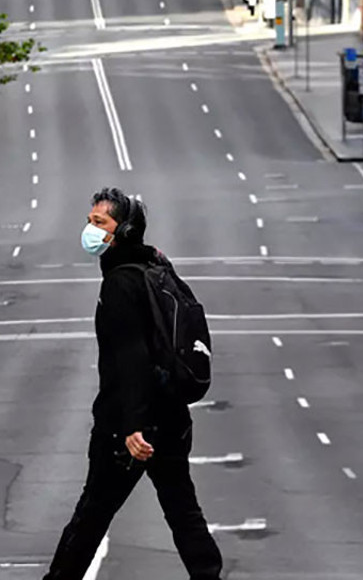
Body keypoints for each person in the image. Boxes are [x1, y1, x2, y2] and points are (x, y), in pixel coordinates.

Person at [42, 187, 222, 580]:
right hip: (172, 417)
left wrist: (131, 427)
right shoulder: (156, 266)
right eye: (90, 221)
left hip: (130, 428)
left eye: (99, 223)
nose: (90, 230)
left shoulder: (120, 284)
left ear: (122, 231)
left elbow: (130, 359)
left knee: (91, 516)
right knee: (183, 512)